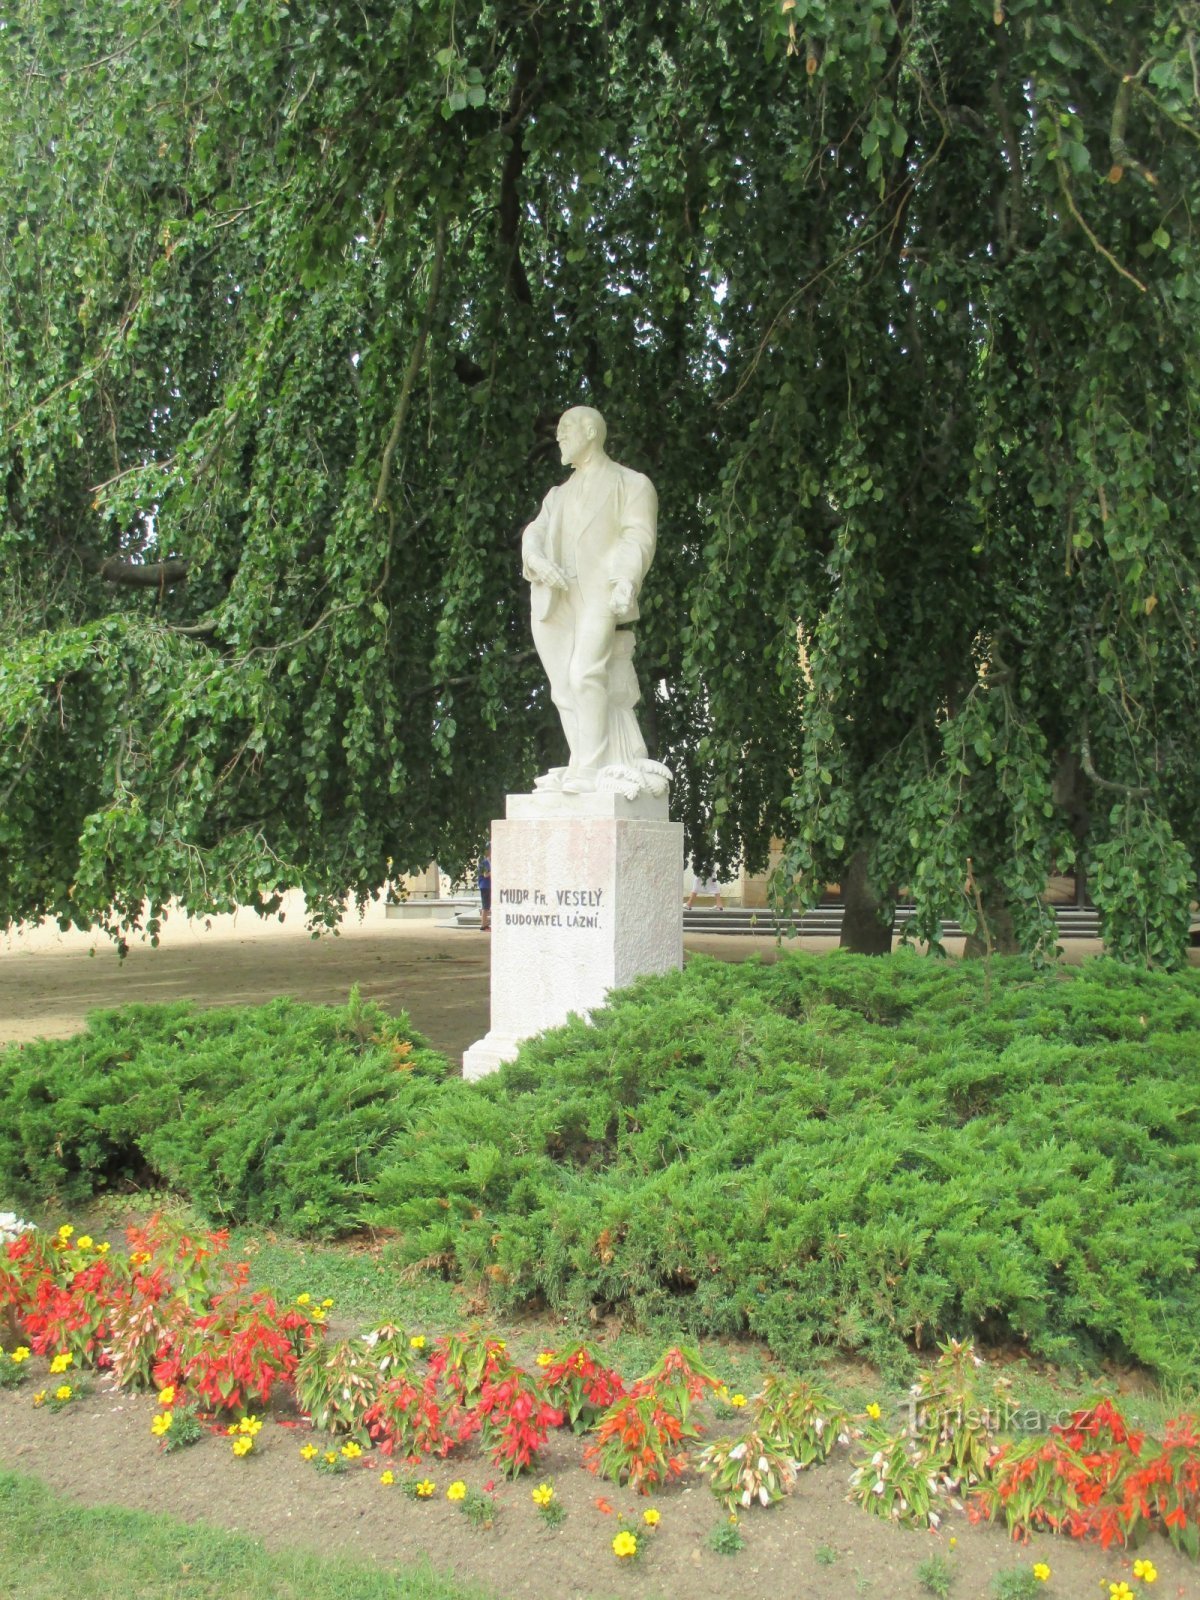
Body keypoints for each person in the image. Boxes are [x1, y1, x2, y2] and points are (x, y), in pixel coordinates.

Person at [521, 406, 657, 794]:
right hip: (555, 597)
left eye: (565, 429)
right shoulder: (557, 495)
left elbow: (638, 537)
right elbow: (535, 532)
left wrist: (626, 579)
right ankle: (580, 761)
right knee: (562, 688)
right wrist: (535, 559)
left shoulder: (631, 484)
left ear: (591, 432)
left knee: (585, 674)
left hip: (598, 592)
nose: (559, 437)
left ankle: (592, 767)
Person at [477, 854, 491, 932]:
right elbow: (486, 875)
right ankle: (483, 926)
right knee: (485, 907)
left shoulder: (486, 861)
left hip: (486, 885)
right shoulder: (484, 862)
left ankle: (485, 925)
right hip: (485, 886)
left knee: (487, 906)